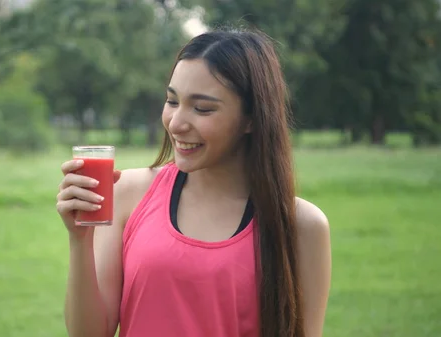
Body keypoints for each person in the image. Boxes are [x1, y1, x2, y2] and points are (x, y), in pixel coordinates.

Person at [56, 28, 332, 337]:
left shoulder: (300, 225)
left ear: (252, 118)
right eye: (172, 101)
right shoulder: (128, 194)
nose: (176, 123)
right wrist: (79, 241)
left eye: (202, 108)